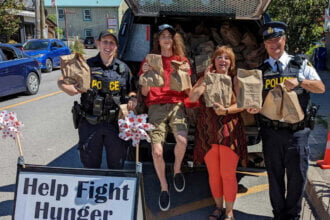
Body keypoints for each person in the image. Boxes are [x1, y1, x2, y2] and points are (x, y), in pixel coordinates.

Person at [247, 21, 325, 220]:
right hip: (271, 132)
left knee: (297, 177)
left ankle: (293, 216)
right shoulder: (260, 70)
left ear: (284, 40)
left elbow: (320, 88)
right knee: (274, 177)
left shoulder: (300, 64)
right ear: (264, 45)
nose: (274, 45)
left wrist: (300, 81)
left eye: (277, 39)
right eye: (269, 42)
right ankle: (278, 215)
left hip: (297, 133)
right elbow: (253, 100)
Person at [57, 30, 137, 169]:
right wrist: (65, 87)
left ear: (116, 46)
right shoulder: (86, 66)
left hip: (115, 124)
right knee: (90, 165)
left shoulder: (123, 69)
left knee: (117, 165)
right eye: (105, 42)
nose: (108, 45)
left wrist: (133, 97)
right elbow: (62, 79)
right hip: (90, 123)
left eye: (112, 43)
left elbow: (131, 88)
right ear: (98, 43)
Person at [190, 46, 248, 220]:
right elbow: (192, 97)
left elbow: (243, 104)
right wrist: (206, 79)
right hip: (208, 132)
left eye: (227, 58)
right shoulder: (205, 79)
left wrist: (227, 110)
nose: (223, 60)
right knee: (214, 174)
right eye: (219, 57)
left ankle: (229, 211)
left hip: (228, 130)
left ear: (231, 63)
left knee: (228, 174)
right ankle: (218, 207)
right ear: (213, 61)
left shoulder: (235, 79)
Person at [139, 24, 191, 211]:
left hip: (176, 105)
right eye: (163, 36)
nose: (167, 40)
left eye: (169, 36)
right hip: (156, 107)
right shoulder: (151, 60)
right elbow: (145, 93)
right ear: (158, 41)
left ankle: (177, 170)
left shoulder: (182, 60)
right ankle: (164, 187)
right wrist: (145, 73)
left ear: (174, 40)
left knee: (182, 141)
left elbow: (187, 91)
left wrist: (184, 73)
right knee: (157, 152)